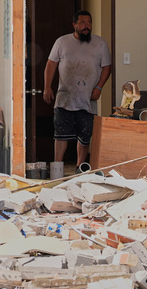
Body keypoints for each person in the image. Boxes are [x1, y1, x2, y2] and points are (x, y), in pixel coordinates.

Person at [43, 10, 112, 169]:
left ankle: (80, 167)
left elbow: (107, 68)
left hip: (88, 98)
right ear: (74, 25)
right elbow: (50, 65)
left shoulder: (100, 43)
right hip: (65, 97)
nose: (86, 26)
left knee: (85, 135)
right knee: (61, 135)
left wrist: (99, 87)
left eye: (89, 22)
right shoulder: (62, 42)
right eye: (82, 23)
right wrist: (47, 87)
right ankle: (57, 167)